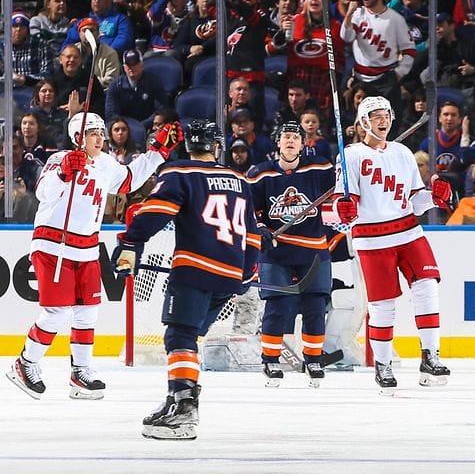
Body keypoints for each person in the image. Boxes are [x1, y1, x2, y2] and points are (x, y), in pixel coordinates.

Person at [5, 112, 181, 400]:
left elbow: (130, 179)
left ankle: (81, 373)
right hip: (53, 244)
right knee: (57, 311)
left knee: (88, 310)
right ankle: (26, 363)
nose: (100, 138)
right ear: (78, 138)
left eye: (101, 132)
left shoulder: (106, 163)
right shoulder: (60, 159)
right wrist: (64, 172)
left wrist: (157, 152)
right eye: (93, 133)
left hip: (86, 247)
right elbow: (44, 192)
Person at [111, 119, 257, 440]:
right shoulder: (239, 180)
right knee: (188, 340)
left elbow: (156, 211)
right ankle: (177, 397)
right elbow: (252, 233)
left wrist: (131, 243)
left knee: (179, 337)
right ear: (217, 146)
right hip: (231, 275)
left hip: (194, 269)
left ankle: (184, 408)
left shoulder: (179, 173)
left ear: (188, 146)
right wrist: (246, 274)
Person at [320, 96, 453, 394]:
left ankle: (430, 356)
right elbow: (342, 205)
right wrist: (345, 208)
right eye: (376, 115)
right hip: (371, 238)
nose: (383, 120)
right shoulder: (350, 155)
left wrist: (435, 198)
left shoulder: (403, 152)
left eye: (387, 114)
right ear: (363, 122)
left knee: (427, 287)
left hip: (408, 231)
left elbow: (416, 201)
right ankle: (383, 364)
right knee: (382, 305)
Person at [247, 121, 335, 387]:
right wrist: (260, 228)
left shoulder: (320, 168)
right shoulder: (260, 174)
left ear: (302, 143)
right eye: (285, 136)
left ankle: (313, 358)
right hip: (277, 251)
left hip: (313, 250)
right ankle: (270, 359)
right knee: (278, 306)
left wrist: (347, 169)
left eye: (295, 137)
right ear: (278, 142)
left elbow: (343, 190)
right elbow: (248, 208)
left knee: (315, 306)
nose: (290, 141)